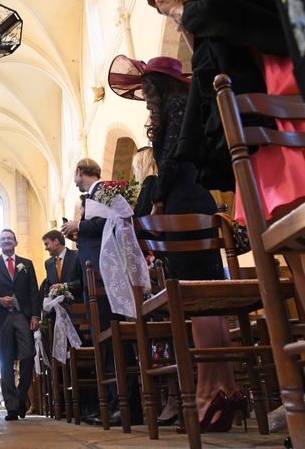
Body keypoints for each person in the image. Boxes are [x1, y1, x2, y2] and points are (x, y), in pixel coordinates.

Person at [109, 54, 242, 432]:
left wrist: (158, 199)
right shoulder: (187, 103)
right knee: (210, 297)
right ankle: (225, 387)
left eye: (147, 87)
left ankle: (206, 393)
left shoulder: (175, 105)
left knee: (195, 302)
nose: (145, 95)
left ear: (157, 84)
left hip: (182, 206)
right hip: (200, 203)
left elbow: (170, 160)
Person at [148, 0, 290, 193]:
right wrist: (178, 12)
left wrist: (180, 9)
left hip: (278, 88)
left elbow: (219, 12)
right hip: (260, 102)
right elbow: (208, 55)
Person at [61, 159, 143, 427]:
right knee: (104, 341)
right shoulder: (94, 195)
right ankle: (112, 403)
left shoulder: (103, 189)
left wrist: (79, 226)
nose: (74, 179)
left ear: (79, 172)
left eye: (74, 175)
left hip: (105, 276)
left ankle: (126, 405)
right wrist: (80, 231)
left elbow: (115, 219)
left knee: (114, 338)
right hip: (95, 274)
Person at [0, 229, 40, 421]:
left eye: (10, 238)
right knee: (5, 360)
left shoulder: (26, 264)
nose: (6, 241)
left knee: (28, 355)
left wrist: (35, 315)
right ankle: (12, 408)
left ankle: (21, 398)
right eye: (3, 238)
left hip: (22, 315)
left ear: (15, 242)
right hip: (2, 317)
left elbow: (33, 291)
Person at [41, 230, 83, 303]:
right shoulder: (48, 263)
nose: (46, 248)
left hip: (78, 305)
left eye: (46, 244)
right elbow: (48, 285)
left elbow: (84, 281)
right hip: (57, 309)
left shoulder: (77, 256)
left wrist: (64, 286)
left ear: (56, 241)